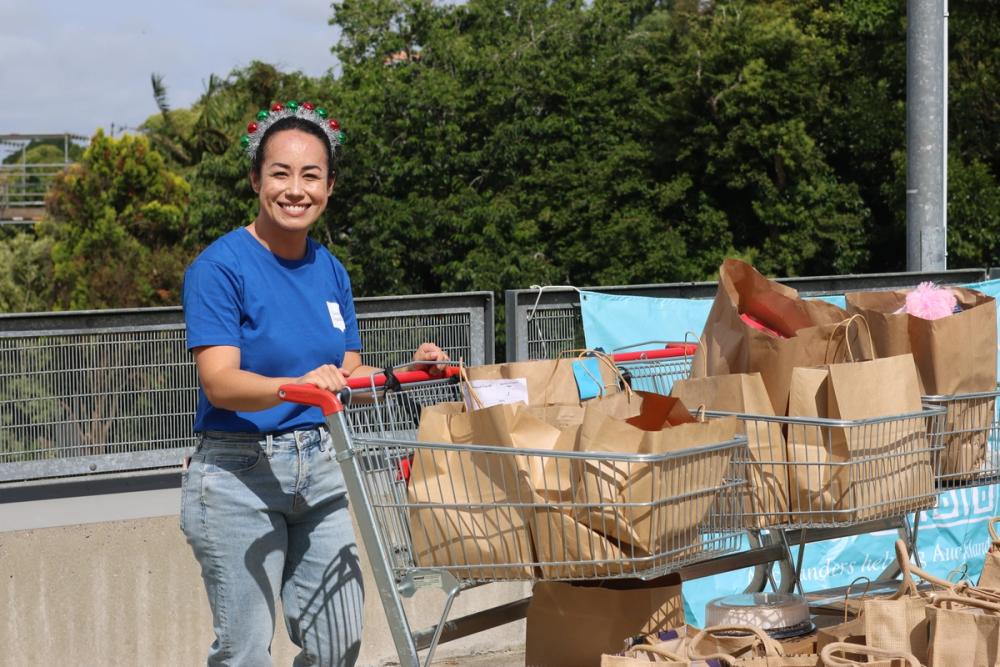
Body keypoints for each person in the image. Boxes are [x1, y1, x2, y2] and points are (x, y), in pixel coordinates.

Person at [180, 101, 448, 667]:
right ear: (256, 179)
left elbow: (343, 380)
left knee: (337, 644)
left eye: (311, 175)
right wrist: (292, 385)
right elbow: (221, 383)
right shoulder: (219, 266)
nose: (295, 189)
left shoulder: (330, 269)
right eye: (280, 173)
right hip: (237, 476)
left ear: (329, 186)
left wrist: (406, 371)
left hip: (323, 467)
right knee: (245, 651)